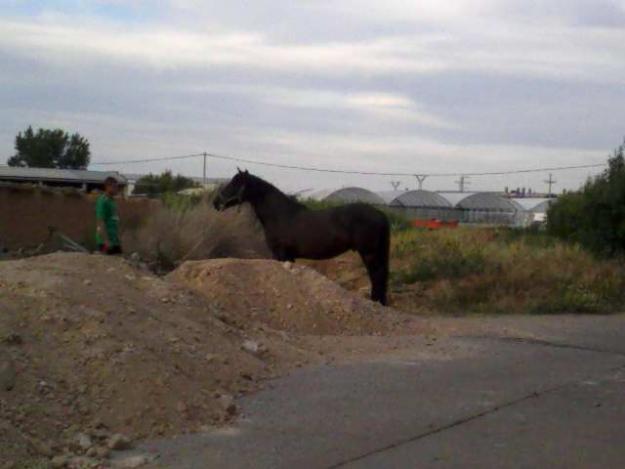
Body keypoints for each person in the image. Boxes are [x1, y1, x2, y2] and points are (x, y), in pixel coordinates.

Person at [95, 176, 122, 255]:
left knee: (119, 262)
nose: (117, 189)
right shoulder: (103, 201)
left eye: (117, 187)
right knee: (107, 262)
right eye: (114, 187)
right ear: (107, 187)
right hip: (105, 242)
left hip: (114, 240)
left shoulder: (112, 201)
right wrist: (106, 241)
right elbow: (100, 222)